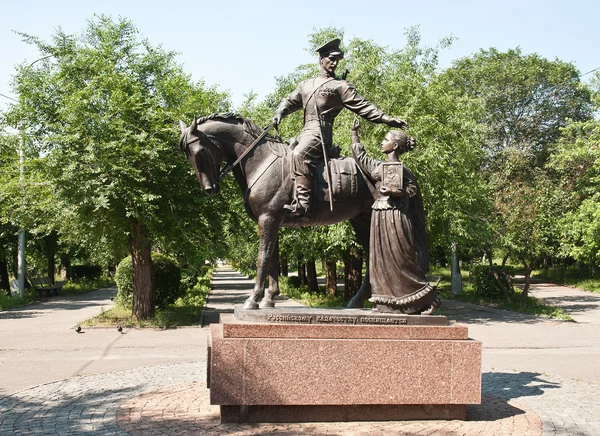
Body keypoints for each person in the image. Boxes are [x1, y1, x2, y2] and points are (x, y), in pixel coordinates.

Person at [272, 38, 407, 220]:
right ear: (321, 60)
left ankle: (303, 204)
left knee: (298, 155)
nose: (334, 63)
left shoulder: (340, 86)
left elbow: (364, 106)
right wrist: (279, 112)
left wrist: (386, 119)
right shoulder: (305, 84)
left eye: (337, 59)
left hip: (320, 135)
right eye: (331, 58)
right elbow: (289, 101)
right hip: (305, 132)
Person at [351, 120, 440, 314]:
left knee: (402, 259)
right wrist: (354, 134)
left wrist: (396, 192)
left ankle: (428, 299)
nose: (382, 142)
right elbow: (362, 159)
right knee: (380, 260)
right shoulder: (380, 166)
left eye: (386, 139)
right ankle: (386, 303)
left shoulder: (403, 169)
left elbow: (412, 189)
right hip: (379, 215)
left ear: (396, 145)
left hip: (396, 216)